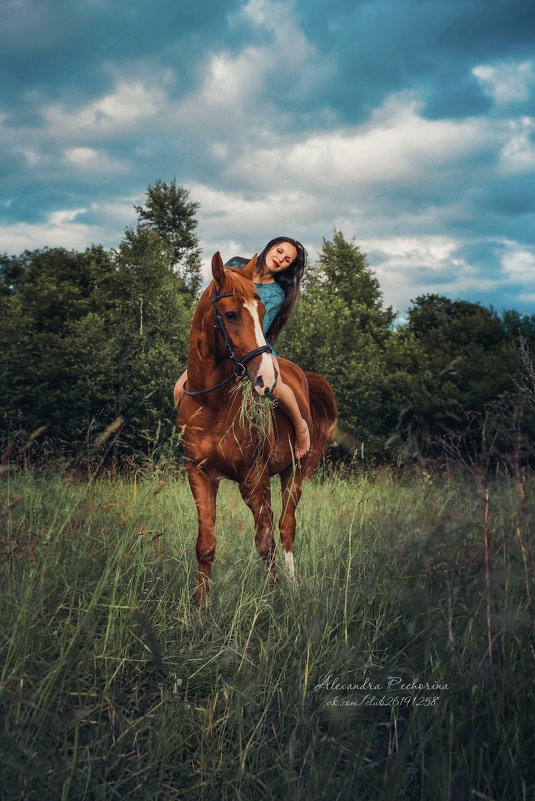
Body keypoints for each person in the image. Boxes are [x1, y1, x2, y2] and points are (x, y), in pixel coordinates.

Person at [174, 236, 311, 458]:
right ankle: (192, 436)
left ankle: (301, 426)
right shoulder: (236, 265)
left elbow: (261, 325)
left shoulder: (277, 293)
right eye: (279, 251)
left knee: (276, 387)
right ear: (269, 247)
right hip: (226, 342)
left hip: (255, 345)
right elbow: (214, 298)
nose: (280, 259)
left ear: (289, 267)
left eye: (287, 260)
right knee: (180, 389)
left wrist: (245, 361)